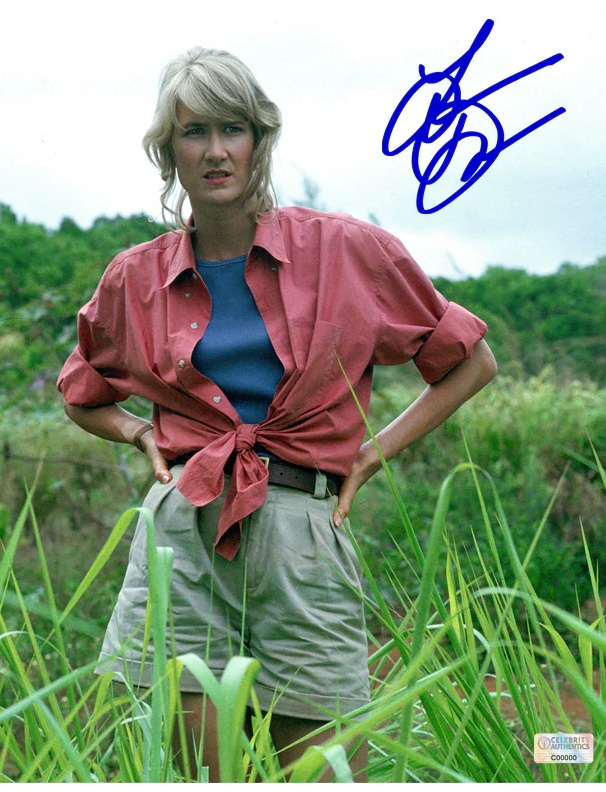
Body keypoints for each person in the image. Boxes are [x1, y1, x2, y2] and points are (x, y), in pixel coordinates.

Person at [57, 46, 497, 782]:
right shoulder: (135, 277)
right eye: (194, 132)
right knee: (206, 775)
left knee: (324, 773)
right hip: (183, 537)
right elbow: (80, 388)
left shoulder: (345, 249)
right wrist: (137, 433)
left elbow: (469, 360)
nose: (215, 150)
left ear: (260, 139)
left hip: (304, 532)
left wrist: (371, 455)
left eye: (233, 129)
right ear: (169, 150)